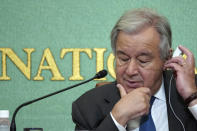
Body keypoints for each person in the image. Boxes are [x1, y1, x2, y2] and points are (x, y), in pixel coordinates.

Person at [72, 8, 197, 131]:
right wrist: (117, 119)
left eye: (143, 61)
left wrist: (191, 98)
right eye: (123, 58)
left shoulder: (192, 89)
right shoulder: (88, 106)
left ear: (167, 58)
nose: (130, 71)